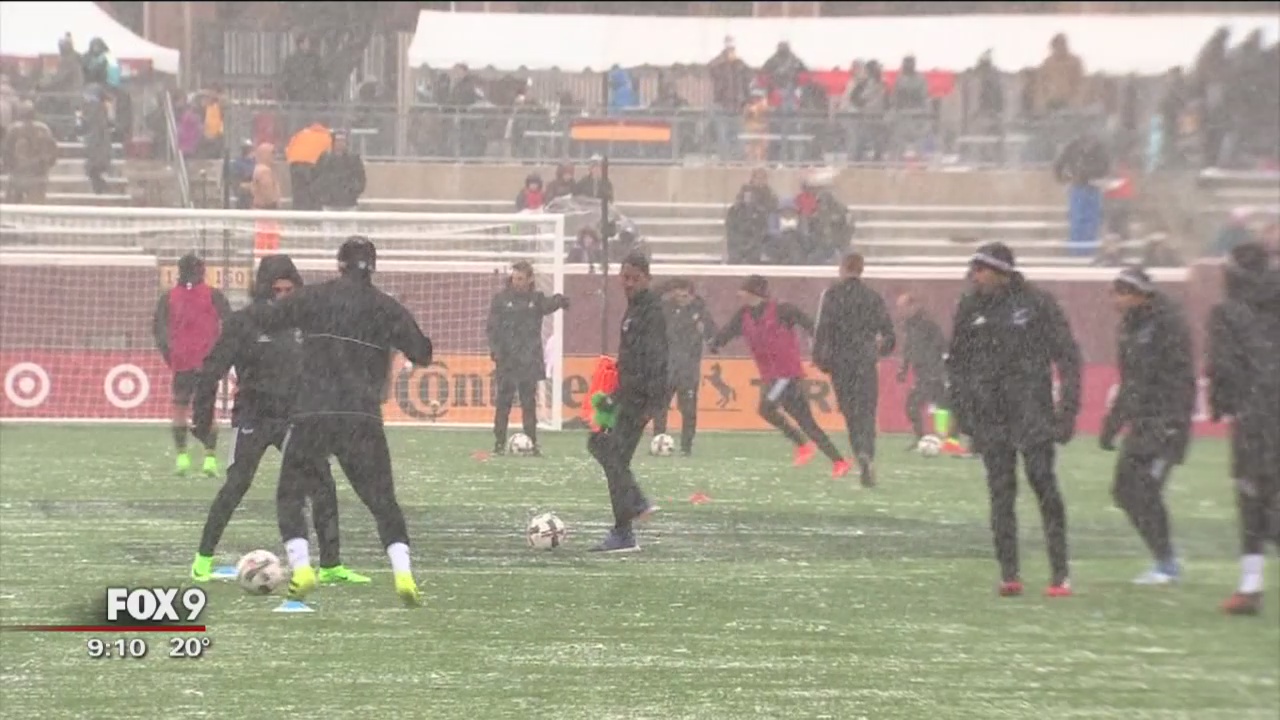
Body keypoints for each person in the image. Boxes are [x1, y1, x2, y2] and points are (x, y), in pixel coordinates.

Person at [247, 237, 434, 606]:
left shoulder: (315, 297)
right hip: (361, 416)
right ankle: (403, 574)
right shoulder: (386, 307)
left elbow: (268, 318)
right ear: (373, 267)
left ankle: (301, 567)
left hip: (314, 412)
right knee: (383, 502)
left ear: (340, 266)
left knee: (290, 492)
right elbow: (423, 353)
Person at [187, 255, 367, 585]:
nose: (284, 295)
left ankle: (330, 565)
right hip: (253, 416)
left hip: (294, 418)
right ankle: (202, 560)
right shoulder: (244, 323)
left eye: (289, 288)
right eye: (277, 289)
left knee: (323, 483)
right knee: (237, 485)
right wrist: (202, 418)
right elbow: (212, 370)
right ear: (263, 290)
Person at [947, 242, 1081, 597]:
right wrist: (964, 414)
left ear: (1001, 272)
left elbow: (1067, 357)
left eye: (981, 269)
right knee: (1001, 492)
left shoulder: (1037, 303)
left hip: (1032, 411)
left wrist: (1067, 411)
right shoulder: (969, 306)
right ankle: (1010, 574)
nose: (974, 276)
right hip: (991, 416)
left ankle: (1060, 574)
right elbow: (957, 364)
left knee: (1044, 485)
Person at [1099, 267, 1196, 585]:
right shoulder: (1130, 326)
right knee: (1124, 490)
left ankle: (1167, 565)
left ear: (1139, 294)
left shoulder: (1168, 323)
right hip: (1142, 423)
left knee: (1145, 490)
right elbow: (1130, 381)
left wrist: (1173, 422)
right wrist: (1113, 424)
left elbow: (1180, 378)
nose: (1115, 300)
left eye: (1121, 293)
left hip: (1165, 422)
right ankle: (1164, 557)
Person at [712, 275, 851, 478]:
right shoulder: (743, 315)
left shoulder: (782, 310)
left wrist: (823, 345)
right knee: (806, 422)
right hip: (771, 376)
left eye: (742, 290)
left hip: (787, 374)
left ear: (752, 292)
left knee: (766, 407)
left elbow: (810, 325)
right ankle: (838, 461)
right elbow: (725, 335)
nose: (738, 294)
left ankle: (803, 445)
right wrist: (715, 342)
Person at [1206, 242, 1280, 616]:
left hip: (1257, 416)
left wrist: (1222, 405)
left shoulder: (1228, 311)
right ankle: (1249, 589)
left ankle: (1250, 587)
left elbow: (1224, 365)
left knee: (1255, 501)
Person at [586, 253, 664, 553]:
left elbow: (657, 359)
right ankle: (624, 530)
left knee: (606, 450)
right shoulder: (635, 309)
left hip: (638, 397)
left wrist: (651, 402)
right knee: (608, 452)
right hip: (624, 393)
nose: (628, 283)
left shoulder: (651, 311)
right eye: (625, 277)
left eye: (634, 278)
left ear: (647, 278)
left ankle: (634, 510)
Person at [813, 254, 894, 486]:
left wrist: (820, 359)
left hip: (841, 362)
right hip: (865, 362)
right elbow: (888, 333)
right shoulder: (873, 297)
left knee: (850, 413)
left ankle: (860, 452)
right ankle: (868, 453)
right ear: (861, 269)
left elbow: (822, 329)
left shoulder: (832, 295)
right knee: (867, 412)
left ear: (842, 268)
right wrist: (881, 349)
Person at [152, 254, 231, 477]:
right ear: (202, 271)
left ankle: (182, 458)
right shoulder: (214, 296)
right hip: (207, 363)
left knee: (180, 409)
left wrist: (170, 356)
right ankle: (210, 459)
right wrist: (221, 355)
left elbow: (158, 331)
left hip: (182, 362)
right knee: (208, 411)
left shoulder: (168, 298)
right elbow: (231, 324)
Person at [485, 261, 569, 455]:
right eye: (514, 278)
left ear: (530, 279)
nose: (516, 282)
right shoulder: (501, 299)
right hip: (507, 359)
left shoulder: (536, 299)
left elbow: (548, 305)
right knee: (503, 402)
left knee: (528, 403)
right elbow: (492, 328)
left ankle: (531, 441)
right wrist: (495, 350)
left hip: (528, 359)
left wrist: (560, 301)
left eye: (521, 278)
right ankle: (499, 443)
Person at [652, 278, 717, 456]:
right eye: (677, 291)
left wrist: (709, 338)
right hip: (665, 367)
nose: (681, 296)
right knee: (660, 407)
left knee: (688, 410)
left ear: (691, 294)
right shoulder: (664, 308)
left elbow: (714, 339)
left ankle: (686, 447)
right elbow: (650, 298)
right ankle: (659, 441)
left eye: (685, 293)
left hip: (688, 370)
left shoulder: (700, 311)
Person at [896, 293, 948, 447]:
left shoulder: (927, 323)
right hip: (921, 371)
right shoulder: (908, 325)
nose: (900, 310)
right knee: (939, 404)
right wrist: (904, 368)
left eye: (902, 307)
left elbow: (941, 344)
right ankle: (938, 437)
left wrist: (937, 367)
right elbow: (908, 348)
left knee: (919, 404)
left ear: (913, 306)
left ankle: (938, 437)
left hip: (932, 370)